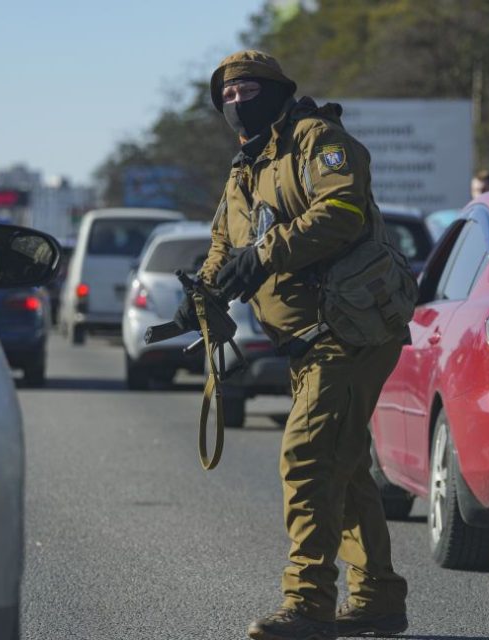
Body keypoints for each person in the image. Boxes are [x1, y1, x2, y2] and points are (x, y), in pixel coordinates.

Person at [173, 50, 409, 640]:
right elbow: (226, 250)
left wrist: (266, 254)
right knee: (345, 466)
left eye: (247, 89)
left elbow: (343, 210)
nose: (237, 102)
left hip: (347, 331)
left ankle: (307, 604)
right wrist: (202, 294)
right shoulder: (242, 171)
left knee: (307, 458)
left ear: (278, 90)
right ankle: (379, 598)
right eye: (226, 95)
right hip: (303, 343)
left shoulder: (316, 140)